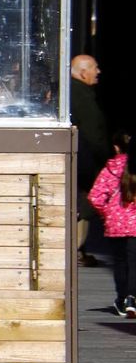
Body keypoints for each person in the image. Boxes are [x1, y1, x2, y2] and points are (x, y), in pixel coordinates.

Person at [89, 132, 136, 317]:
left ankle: (122, 299)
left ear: (116, 147)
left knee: (120, 262)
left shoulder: (110, 169)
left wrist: (107, 213)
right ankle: (133, 298)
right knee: (134, 263)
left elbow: (95, 197)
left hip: (116, 224)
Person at [72, 54, 110, 268]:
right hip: (84, 160)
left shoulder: (76, 92)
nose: (98, 72)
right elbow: (94, 132)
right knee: (84, 206)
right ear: (83, 72)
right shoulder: (82, 96)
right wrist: (106, 160)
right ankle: (75, 250)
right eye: (95, 67)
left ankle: (78, 250)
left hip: (80, 158)